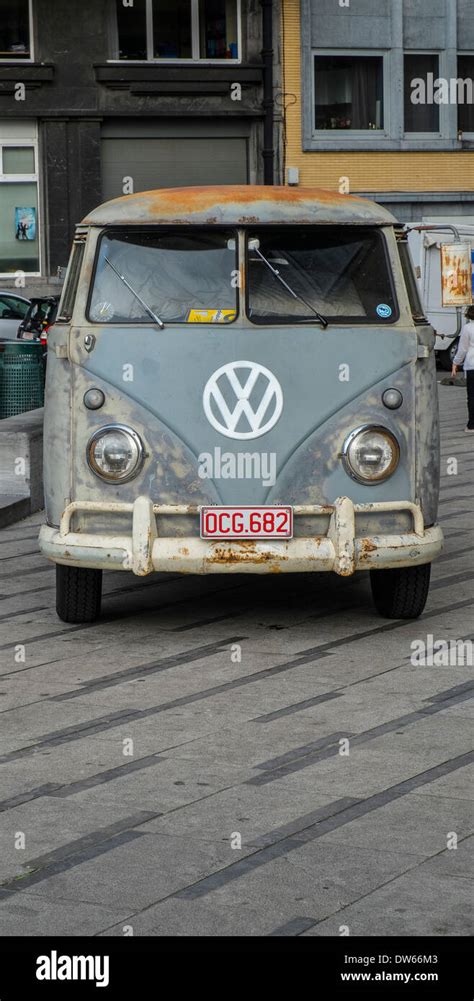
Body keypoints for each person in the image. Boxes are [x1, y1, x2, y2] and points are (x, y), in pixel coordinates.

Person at [452, 304, 474, 433]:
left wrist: (455, 363)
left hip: (472, 365)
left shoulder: (467, 328)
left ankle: (472, 425)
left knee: (471, 397)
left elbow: (463, 349)